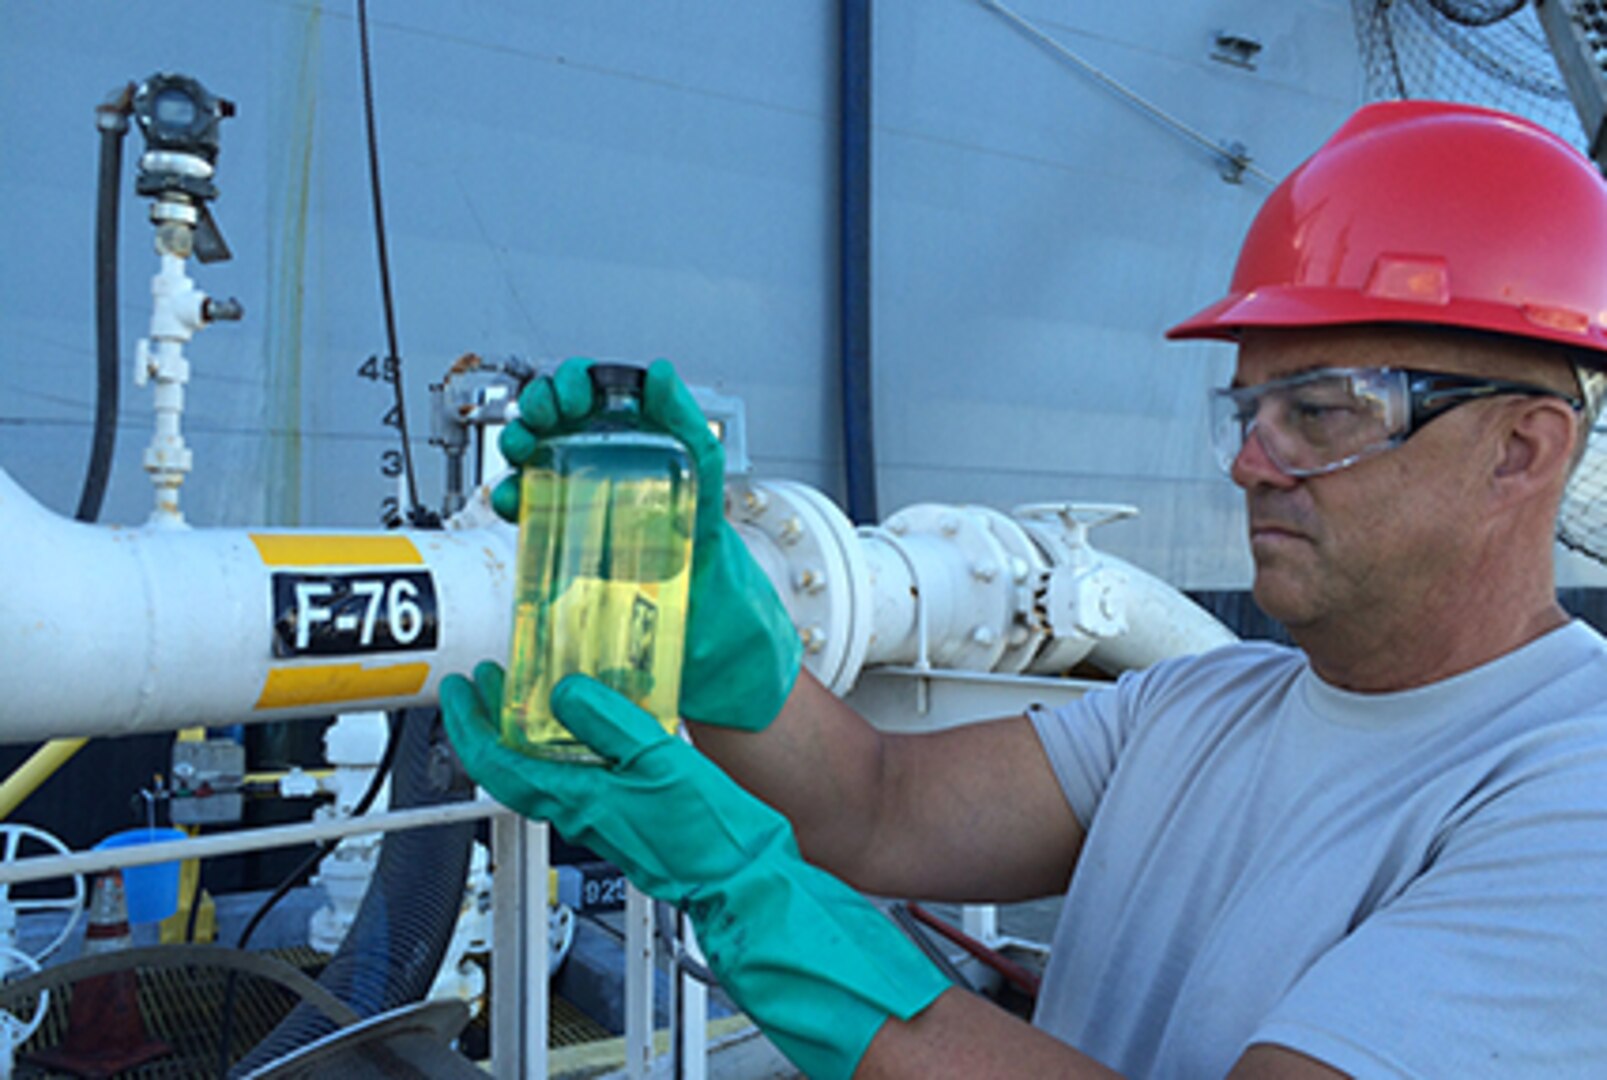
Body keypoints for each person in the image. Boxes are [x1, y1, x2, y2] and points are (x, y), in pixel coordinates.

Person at [442, 99, 1607, 1078]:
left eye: (1318, 412)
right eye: (1243, 413)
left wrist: (760, 902)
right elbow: (877, 804)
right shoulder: (1203, 705)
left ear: (1521, 451)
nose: (1254, 460)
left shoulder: (1571, 790)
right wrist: (719, 623)